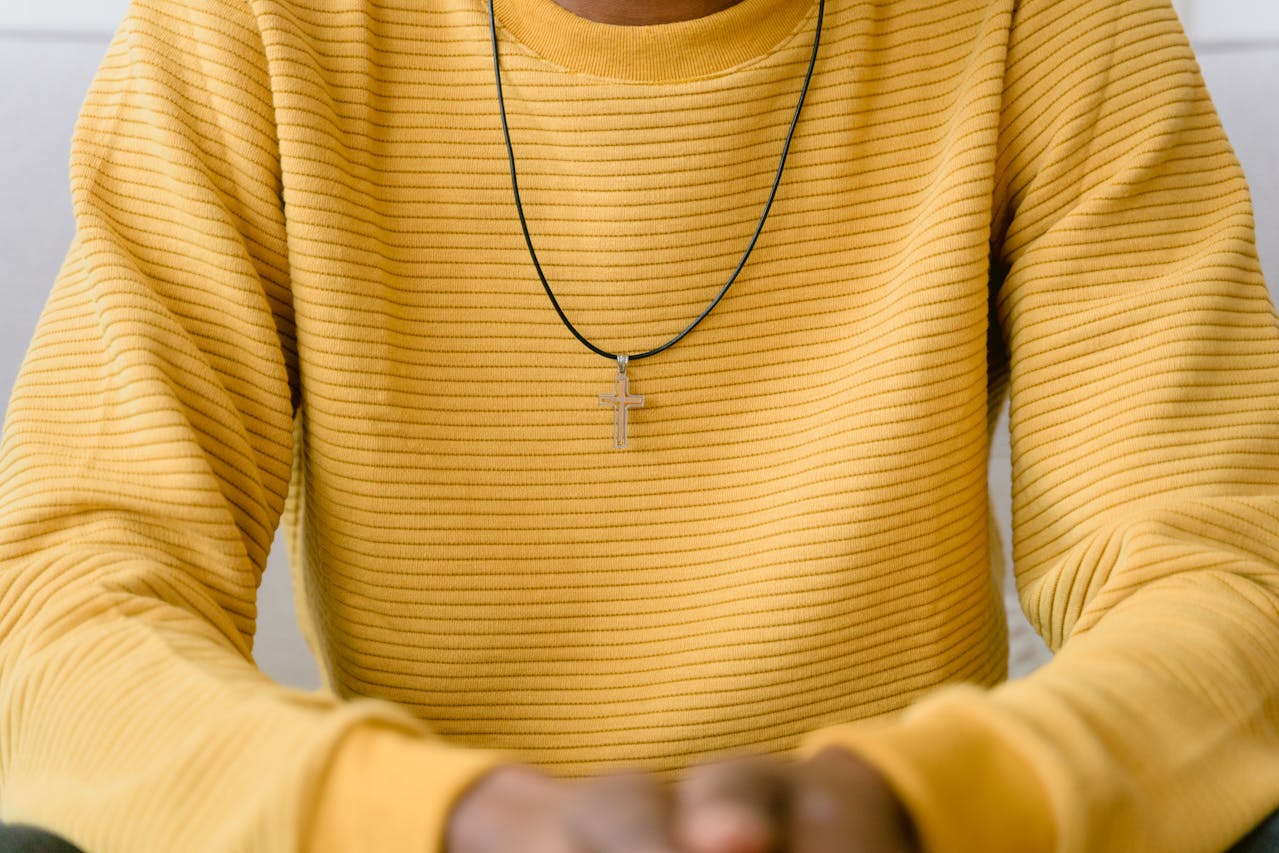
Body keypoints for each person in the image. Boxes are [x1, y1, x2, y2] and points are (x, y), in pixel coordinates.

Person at [0, 0, 1277, 850]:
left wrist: (912, 802)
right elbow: (59, 612)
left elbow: (1224, 578)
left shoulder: (1046, 21)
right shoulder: (251, 28)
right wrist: (454, 821)